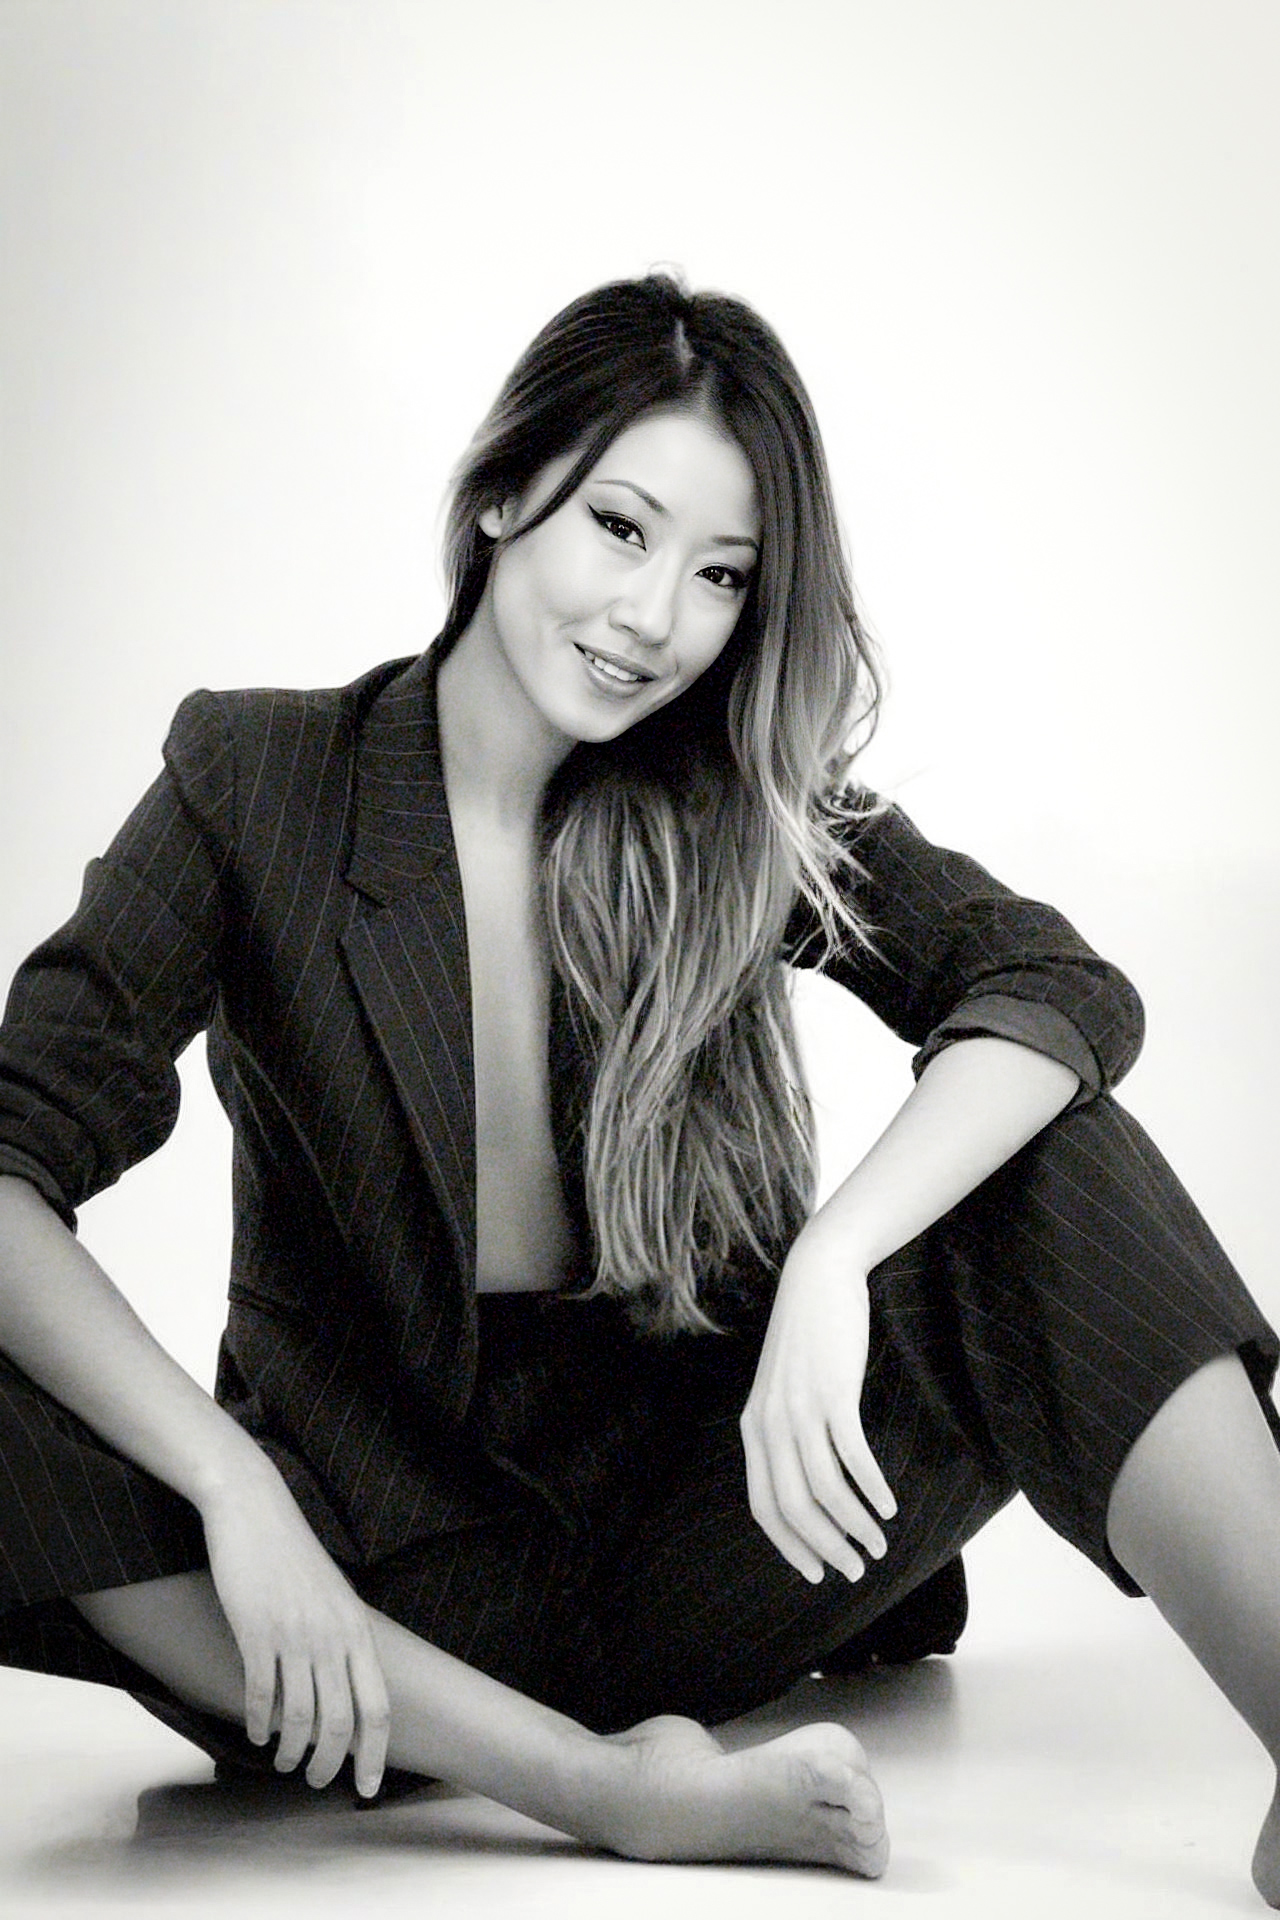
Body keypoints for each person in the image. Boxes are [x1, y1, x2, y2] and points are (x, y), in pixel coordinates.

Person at [1, 271, 1279, 1898]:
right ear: (500, 493)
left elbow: (1048, 982)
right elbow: (7, 1159)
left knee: (1038, 1136)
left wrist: (836, 1259)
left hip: (715, 1541)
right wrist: (226, 1480)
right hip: (360, 1613)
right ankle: (601, 1790)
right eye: (620, 527)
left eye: (721, 575)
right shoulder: (259, 780)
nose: (656, 617)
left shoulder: (730, 801)